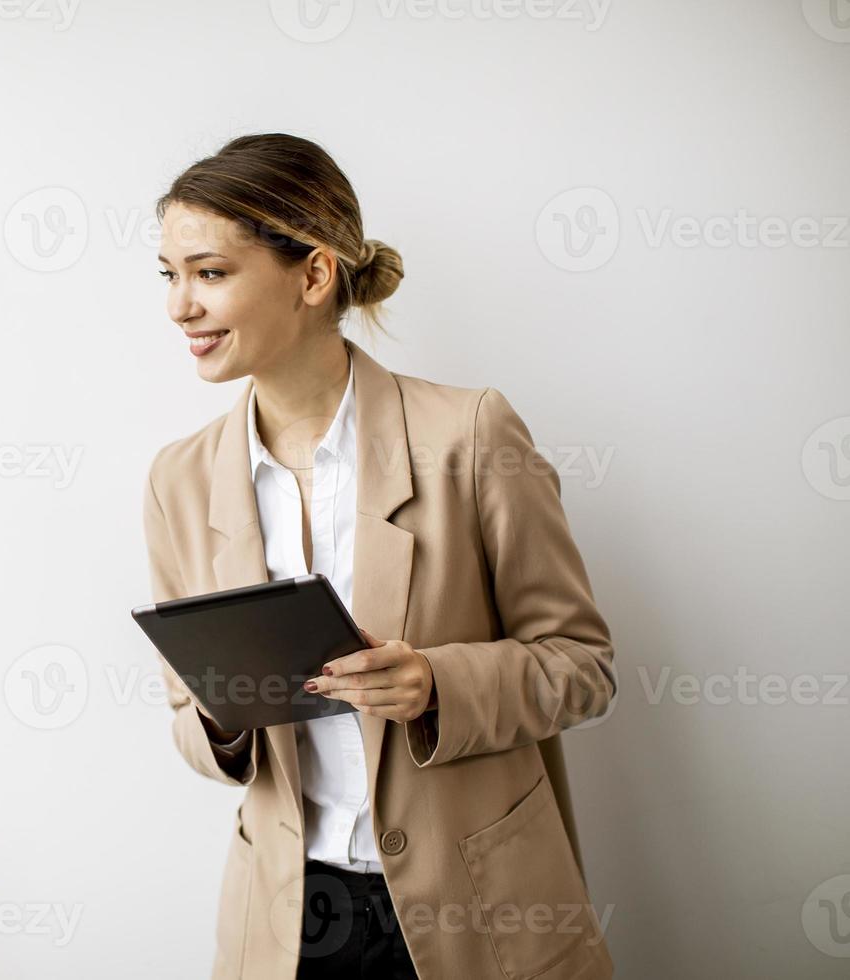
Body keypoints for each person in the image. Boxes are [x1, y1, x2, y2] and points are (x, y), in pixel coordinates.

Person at [142, 133, 617, 979]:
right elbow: (185, 716)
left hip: (479, 911)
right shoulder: (179, 480)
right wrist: (220, 717)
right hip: (286, 921)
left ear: (315, 276)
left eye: (210, 273)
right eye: (169, 275)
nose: (181, 306)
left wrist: (439, 683)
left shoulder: (470, 435)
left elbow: (580, 667)